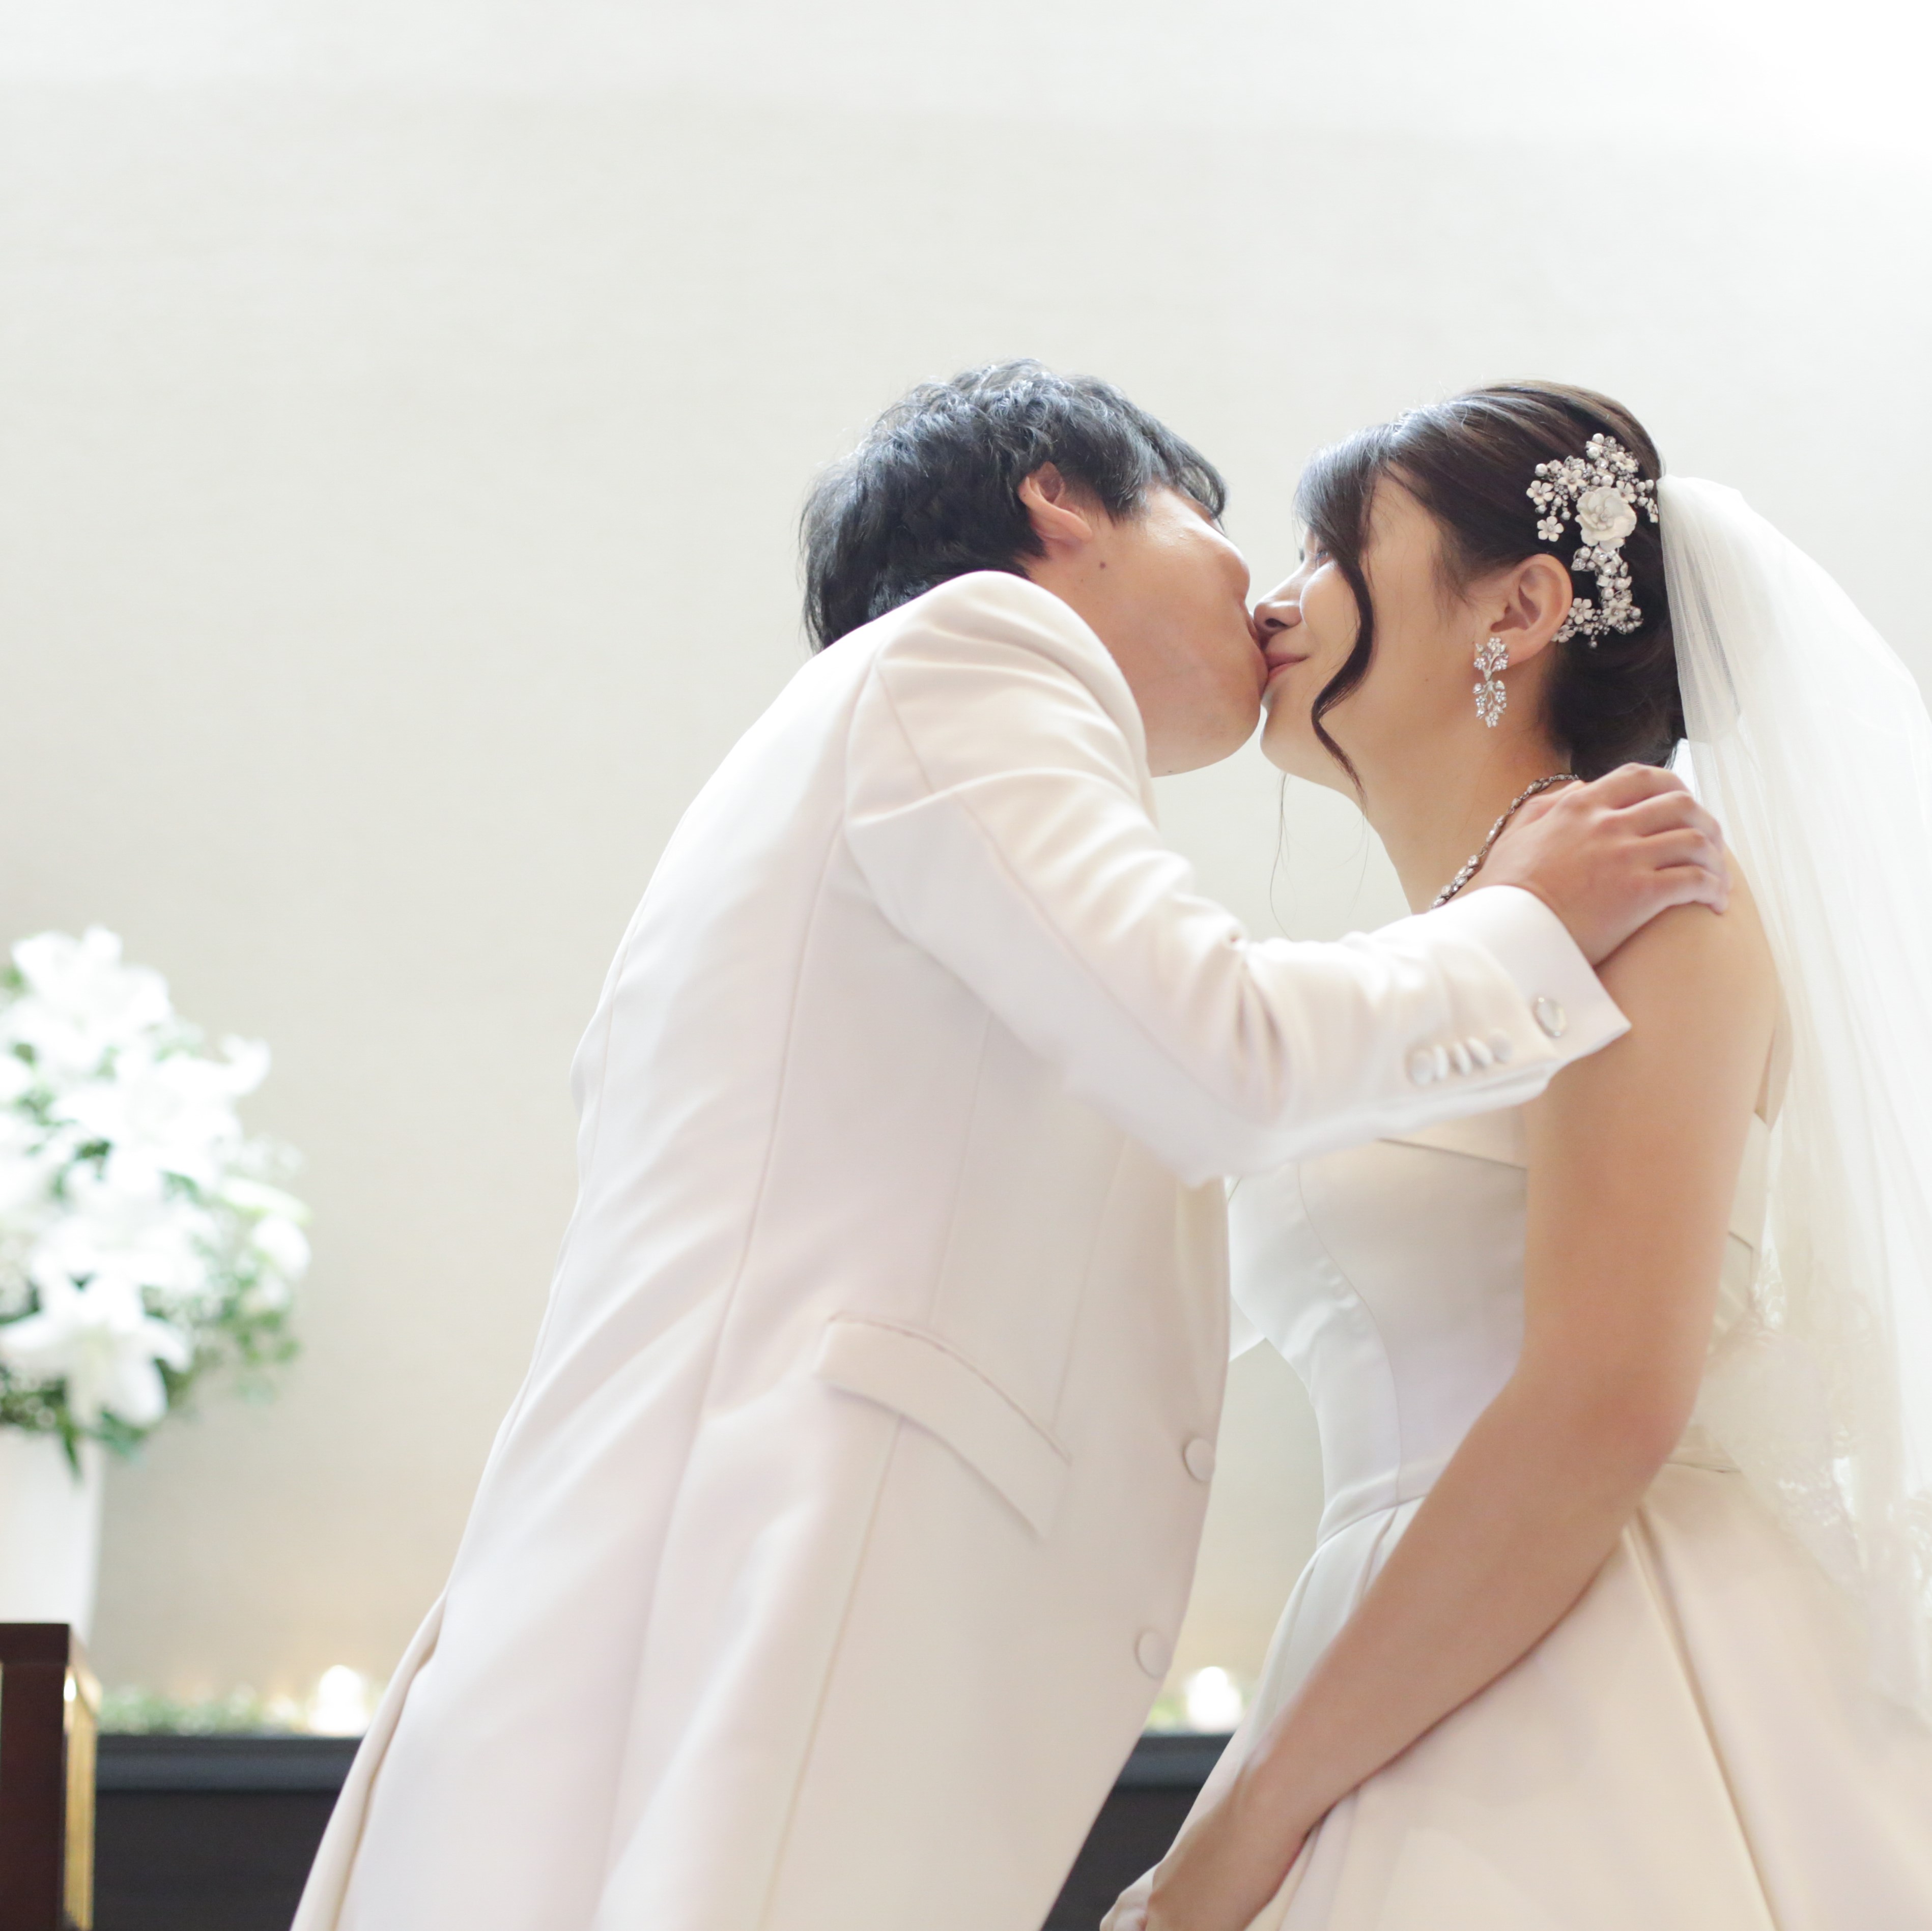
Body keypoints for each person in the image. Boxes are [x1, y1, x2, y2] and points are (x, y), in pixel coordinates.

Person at [291, 364, 1724, 1931]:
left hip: (787, 1608)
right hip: (784, 1590)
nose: (1263, 593)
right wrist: (1520, 929)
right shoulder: (976, 652)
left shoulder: (935, 775)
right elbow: (1223, 1052)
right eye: (1219, 524)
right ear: (1061, 501)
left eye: (1321, 553)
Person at [1108, 383, 1932, 1931]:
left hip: (1610, 1654)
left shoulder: (1656, 883)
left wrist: (1255, 1815)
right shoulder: (1423, 963)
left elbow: (1602, 1399)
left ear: (1521, 605)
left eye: (1329, 549)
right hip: (1397, 1637)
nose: (1277, 600)